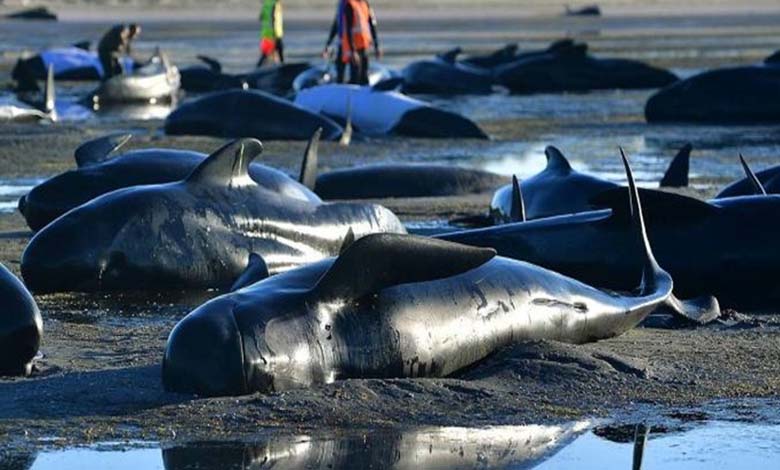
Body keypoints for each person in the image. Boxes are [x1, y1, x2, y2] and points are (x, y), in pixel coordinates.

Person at [322, 0, 381, 85]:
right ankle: (342, 91)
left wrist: (376, 45)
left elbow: (371, 23)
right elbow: (338, 24)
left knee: (362, 75)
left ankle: (360, 92)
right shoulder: (346, 4)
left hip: (361, 46)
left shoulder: (363, 4)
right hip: (348, 46)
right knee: (344, 74)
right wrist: (328, 44)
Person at [258, 0, 284, 67]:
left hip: (266, 33)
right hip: (274, 34)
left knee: (269, 53)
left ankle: (259, 68)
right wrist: (274, 35)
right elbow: (272, 19)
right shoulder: (274, 4)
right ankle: (281, 69)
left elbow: (261, 17)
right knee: (277, 51)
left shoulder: (267, 4)